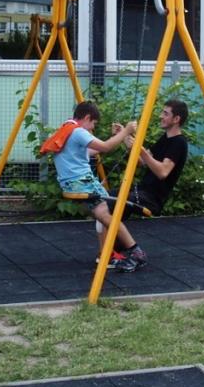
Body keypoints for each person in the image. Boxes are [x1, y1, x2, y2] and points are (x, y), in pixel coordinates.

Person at [49, 101, 144, 272]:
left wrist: (117, 136)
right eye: (93, 123)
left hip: (71, 184)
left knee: (102, 214)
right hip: (82, 182)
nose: (93, 128)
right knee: (108, 213)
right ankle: (135, 250)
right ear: (87, 118)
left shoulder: (67, 129)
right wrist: (126, 131)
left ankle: (106, 255)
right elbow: (106, 148)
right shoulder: (78, 131)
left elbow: (94, 150)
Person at [109, 97, 189, 241]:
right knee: (105, 198)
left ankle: (130, 247)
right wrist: (124, 134)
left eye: (165, 113)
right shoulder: (164, 138)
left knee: (113, 204)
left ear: (176, 119)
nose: (161, 116)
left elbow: (162, 172)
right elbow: (141, 162)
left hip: (152, 198)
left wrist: (141, 150)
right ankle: (115, 247)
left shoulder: (179, 143)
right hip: (141, 190)